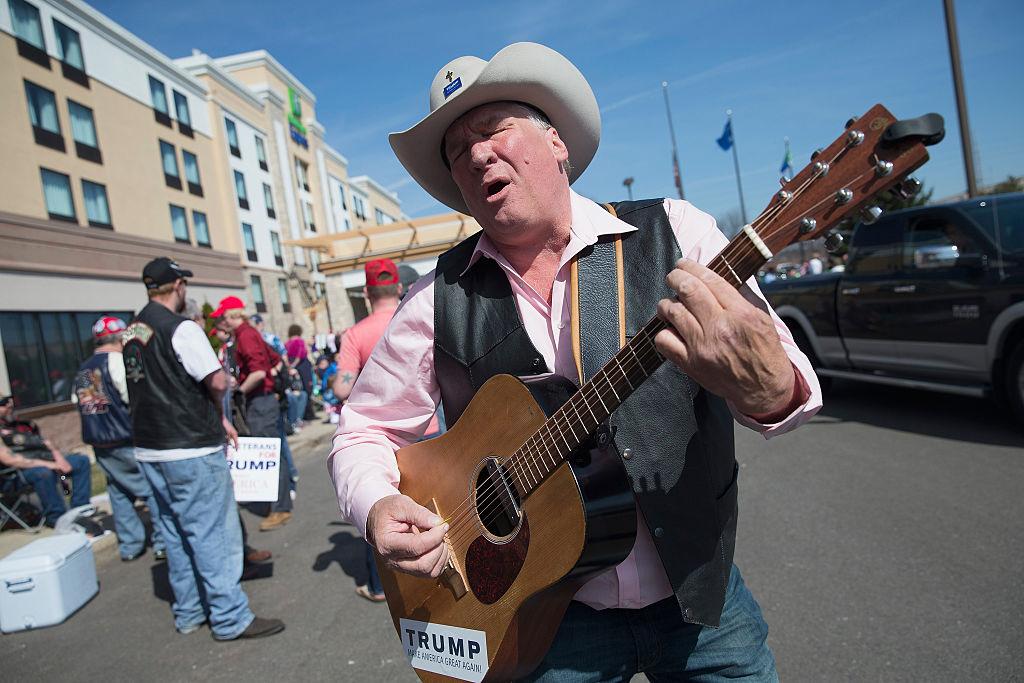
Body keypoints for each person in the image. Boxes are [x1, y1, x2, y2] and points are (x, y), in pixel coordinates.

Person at [328, 43, 823, 680]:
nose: (477, 153)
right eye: (457, 151)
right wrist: (373, 504)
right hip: (545, 620)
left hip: (702, 600)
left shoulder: (677, 234)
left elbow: (792, 386)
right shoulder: (432, 299)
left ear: (557, 143)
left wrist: (769, 386)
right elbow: (362, 431)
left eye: (494, 129)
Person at [125, 257, 283, 640]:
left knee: (174, 533)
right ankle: (230, 617)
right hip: (190, 444)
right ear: (177, 286)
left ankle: (189, 611)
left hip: (149, 446)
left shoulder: (133, 330)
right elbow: (215, 380)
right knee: (214, 533)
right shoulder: (180, 328)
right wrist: (222, 400)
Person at [331, 259, 441, 603]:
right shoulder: (417, 310)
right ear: (397, 288)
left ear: (366, 293)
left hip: (390, 442)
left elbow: (340, 388)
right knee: (442, 513)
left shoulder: (356, 333)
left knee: (383, 514)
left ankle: (381, 588)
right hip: (432, 431)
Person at [71, 316, 165, 561]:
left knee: (119, 491)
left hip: (99, 441)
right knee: (152, 489)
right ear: (119, 338)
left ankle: (131, 545)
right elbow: (132, 396)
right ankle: (163, 541)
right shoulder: (118, 362)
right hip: (125, 436)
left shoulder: (85, 368)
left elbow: (79, 401)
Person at [211, 297, 293, 530]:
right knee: (272, 452)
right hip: (263, 399)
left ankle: (281, 508)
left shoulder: (245, 335)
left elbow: (258, 371)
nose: (222, 321)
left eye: (224, 316)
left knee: (270, 455)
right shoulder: (248, 333)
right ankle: (278, 504)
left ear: (233, 315)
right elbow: (274, 359)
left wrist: (241, 390)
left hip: (260, 401)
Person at [0, 395, 92, 527]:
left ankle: (80, 509)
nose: (9, 405)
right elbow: (10, 460)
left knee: (80, 461)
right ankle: (57, 517)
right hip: (15, 475)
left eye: (9, 400)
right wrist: (52, 465)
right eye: (3, 403)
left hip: (46, 460)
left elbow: (46, 442)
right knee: (43, 473)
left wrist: (58, 457)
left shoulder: (23, 425)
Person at [283, 325, 311, 431]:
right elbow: (300, 354)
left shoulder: (286, 343)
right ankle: (303, 417)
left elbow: (285, 355)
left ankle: (300, 418)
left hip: (291, 366)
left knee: (300, 390)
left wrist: (289, 365)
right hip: (301, 366)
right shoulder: (299, 341)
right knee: (305, 390)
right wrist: (294, 365)